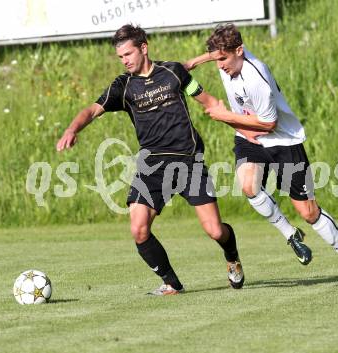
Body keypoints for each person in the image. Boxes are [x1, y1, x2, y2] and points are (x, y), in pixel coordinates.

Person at [56, 24, 244, 295]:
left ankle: (232, 256)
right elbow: (91, 109)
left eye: (128, 54)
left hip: (188, 161)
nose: (125, 60)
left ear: (144, 48)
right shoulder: (124, 86)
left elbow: (207, 100)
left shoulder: (173, 73)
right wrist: (72, 129)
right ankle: (171, 282)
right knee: (139, 229)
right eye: (120, 57)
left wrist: (240, 124)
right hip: (152, 165)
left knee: (215, 231)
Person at [184, 24, 338, 287]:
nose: (220, 66)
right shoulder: (227, 61)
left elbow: (268, 124)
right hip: (250, 138)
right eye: (217, 59)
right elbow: (216, 56)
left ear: (240, 51)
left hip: (283, 141)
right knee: (248, 186)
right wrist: (194, 61)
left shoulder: (256, 78)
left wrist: (226, 116)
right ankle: (291, 235)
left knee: (308, 211)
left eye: (223, 59)